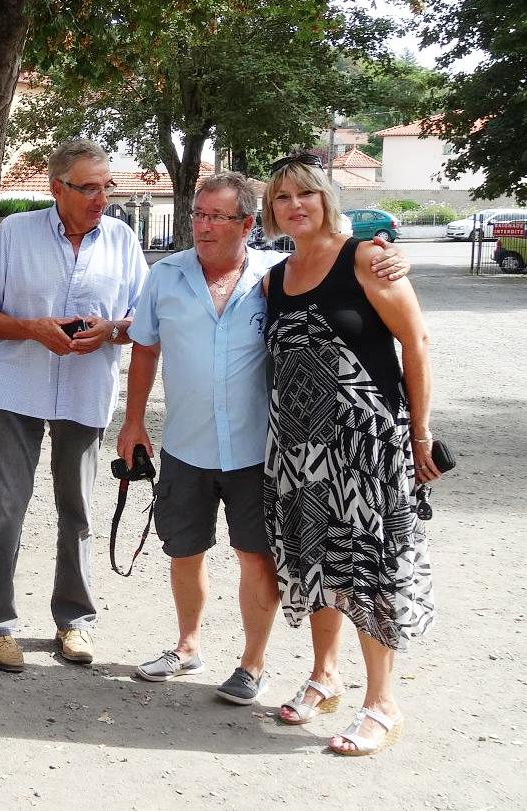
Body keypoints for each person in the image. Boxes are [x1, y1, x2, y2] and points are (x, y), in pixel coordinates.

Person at [117, 173, 407, 704]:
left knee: (256, 557)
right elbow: (143, 348)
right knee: (184, 550)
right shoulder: (166, 276)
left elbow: (351, 289)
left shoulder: (279, 277)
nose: (203, 226)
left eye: (218, 217)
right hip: (186, 442)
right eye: (198, 215)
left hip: (263, 449)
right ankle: (186, 646)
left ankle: (252, 664)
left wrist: (387, 258)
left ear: (248, 224)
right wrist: (133, 422)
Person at [259, 153, 437, 756]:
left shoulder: (365, 258)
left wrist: (419, 434)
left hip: (368, 449)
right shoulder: (274, 276)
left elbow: (415, 342)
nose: (294, 206)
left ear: (326, 198)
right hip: (298, 452)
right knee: (318, 567)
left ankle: (382, 703)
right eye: (282, 198)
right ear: (272, 212)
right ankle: (325, 676)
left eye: (304, 194)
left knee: (371, 573)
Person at [0, 139, 145, 672]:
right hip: (18, 388)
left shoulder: (121, 239)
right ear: (56, 188)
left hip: (86, 390)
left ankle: (74, 622)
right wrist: (32, 329)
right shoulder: (16, 234)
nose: (101, 197)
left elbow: (143, 321)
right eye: (88, 187)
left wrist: (110, 330)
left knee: (79, 511)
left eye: (106, 185)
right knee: (6, 510)